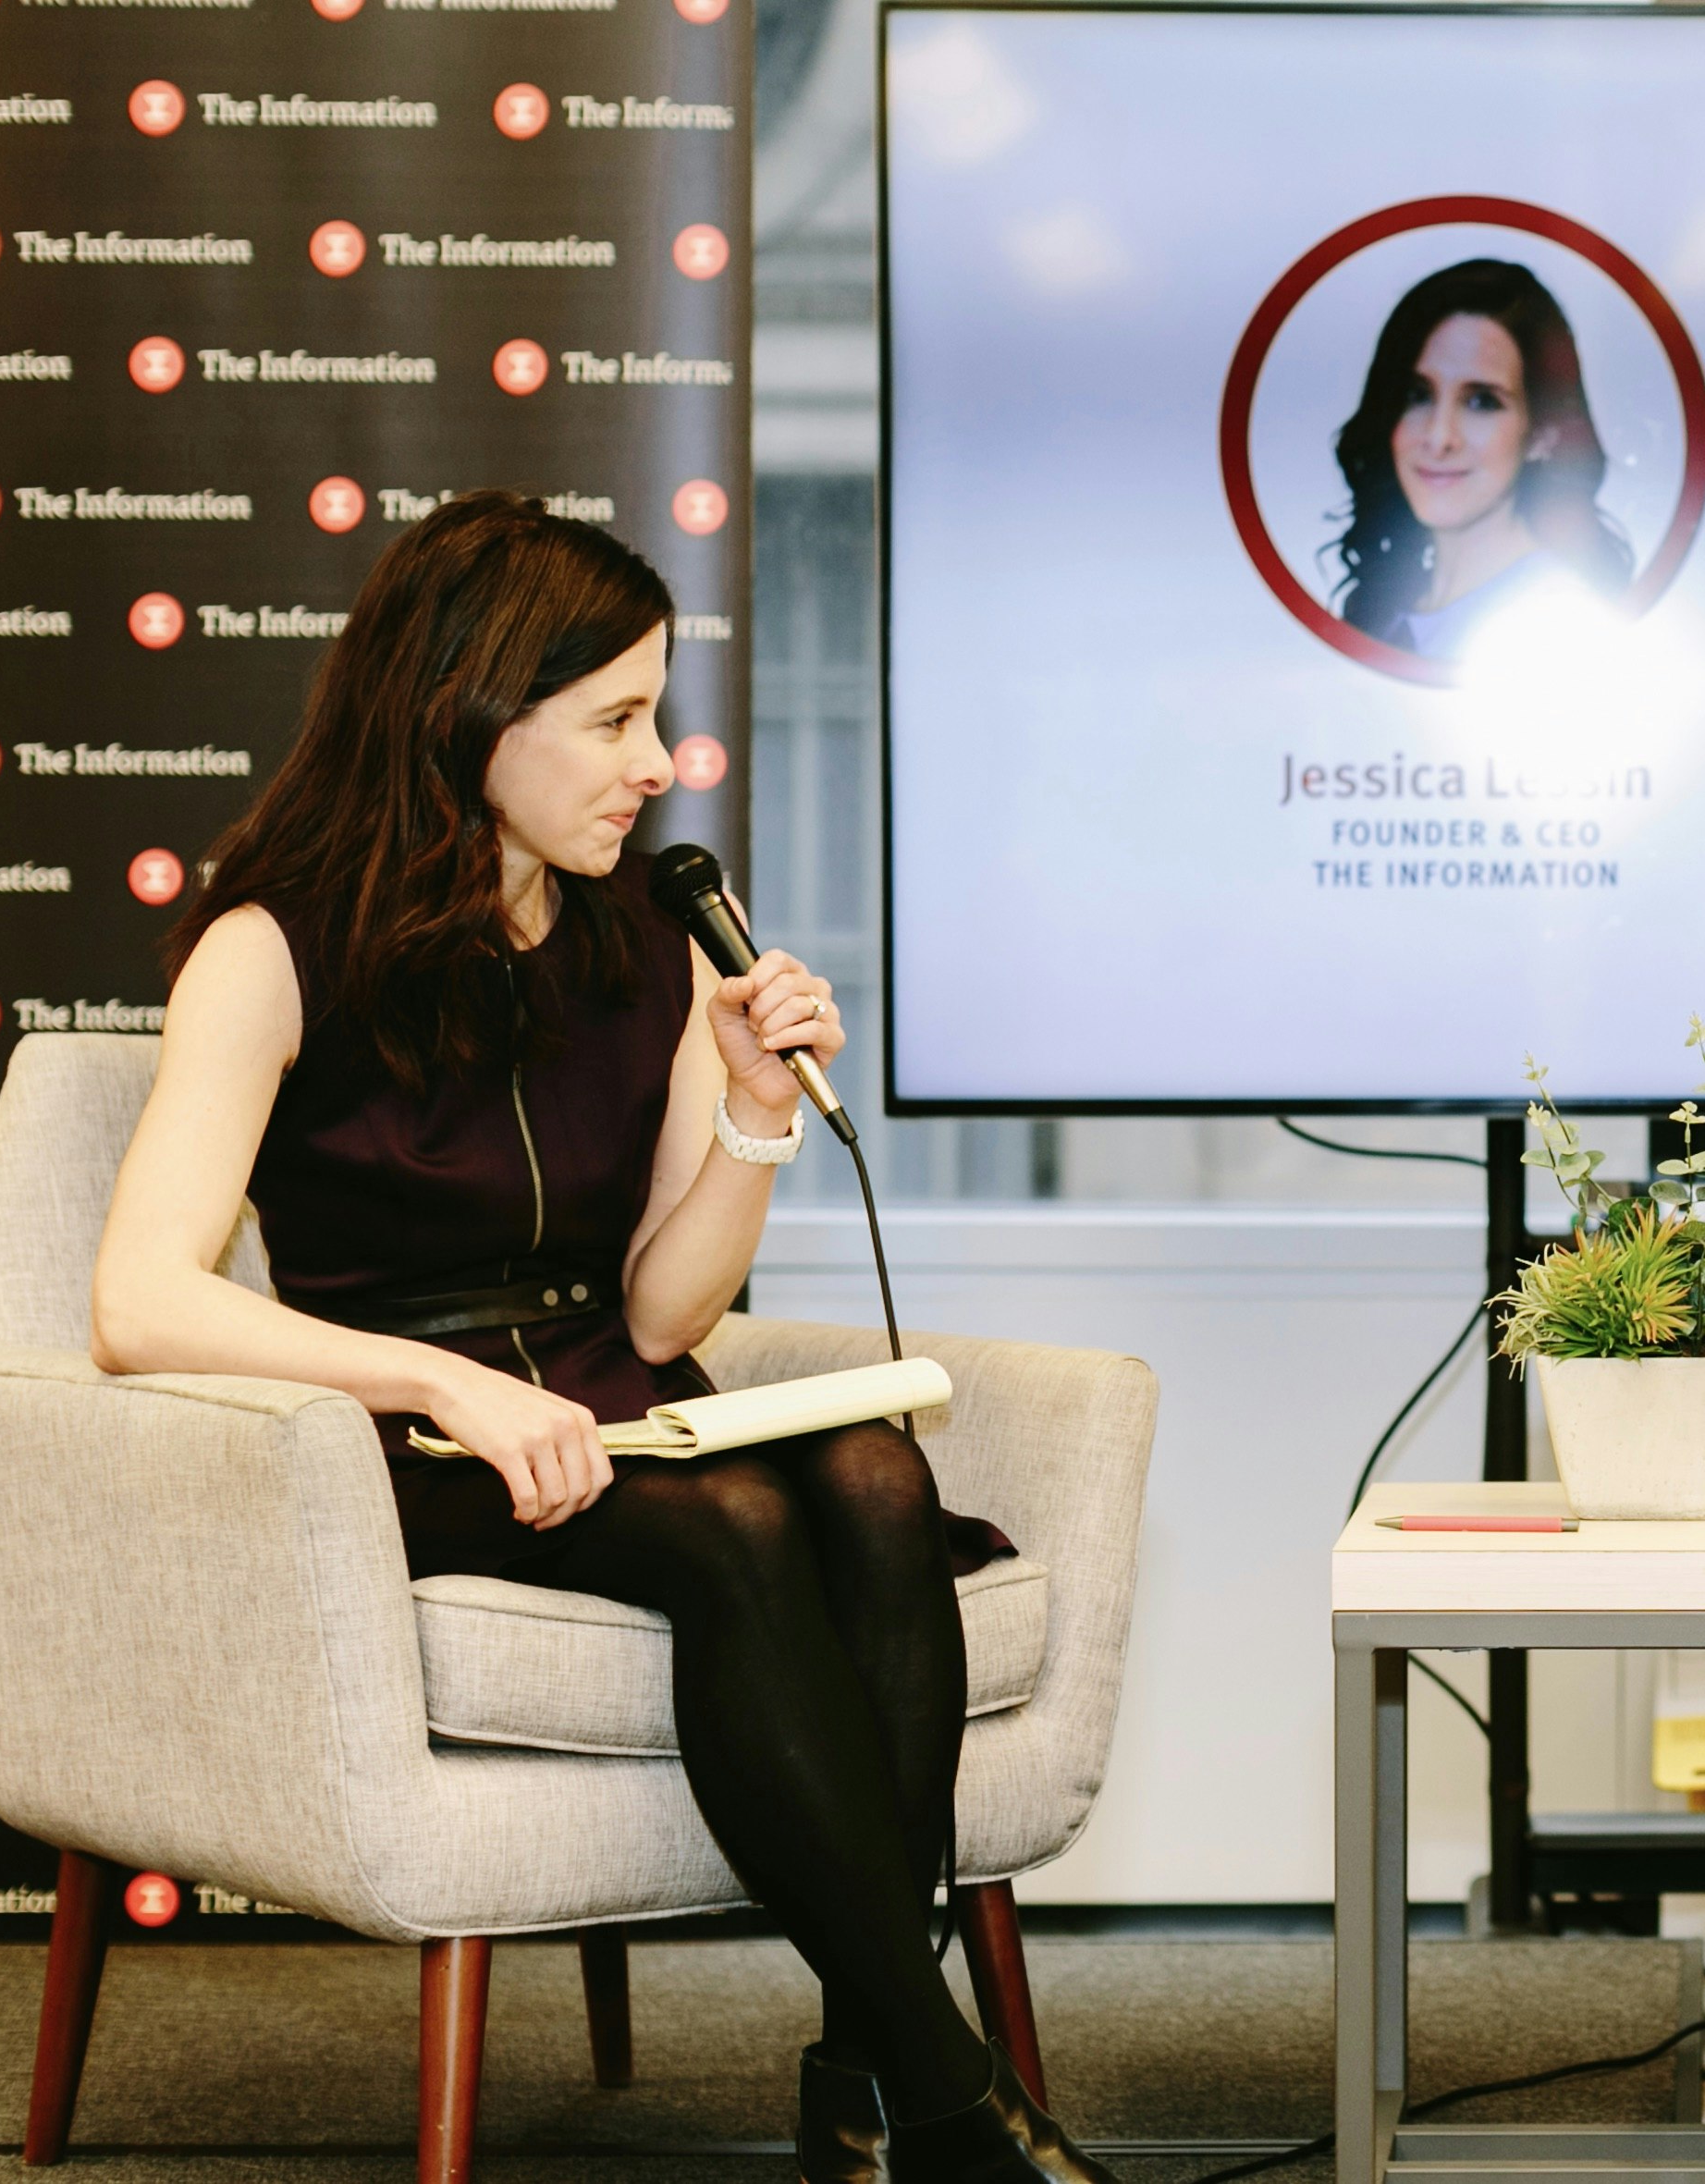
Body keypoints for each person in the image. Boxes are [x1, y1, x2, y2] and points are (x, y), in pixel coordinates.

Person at [87, 493, 1108, 2184]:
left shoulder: (642, 932)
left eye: (659, 714)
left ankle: (871, 2065)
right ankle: (946, 2097)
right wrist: (443, 1383)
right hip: (399, 1428)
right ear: (471, 709)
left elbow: (662, 1312)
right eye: (618, 720)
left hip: (608, 1391)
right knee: (736, 1522)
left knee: (865, 1473)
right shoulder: (271, 943)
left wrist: (757, 1111)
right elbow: (140, 1298)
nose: (660, 763)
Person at [1324, 258, 1635, 659]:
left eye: (1481, 402)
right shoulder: (1385, 613)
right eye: (1417, 395)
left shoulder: (1556, 628)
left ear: (1542, 434)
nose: (1440, 438)